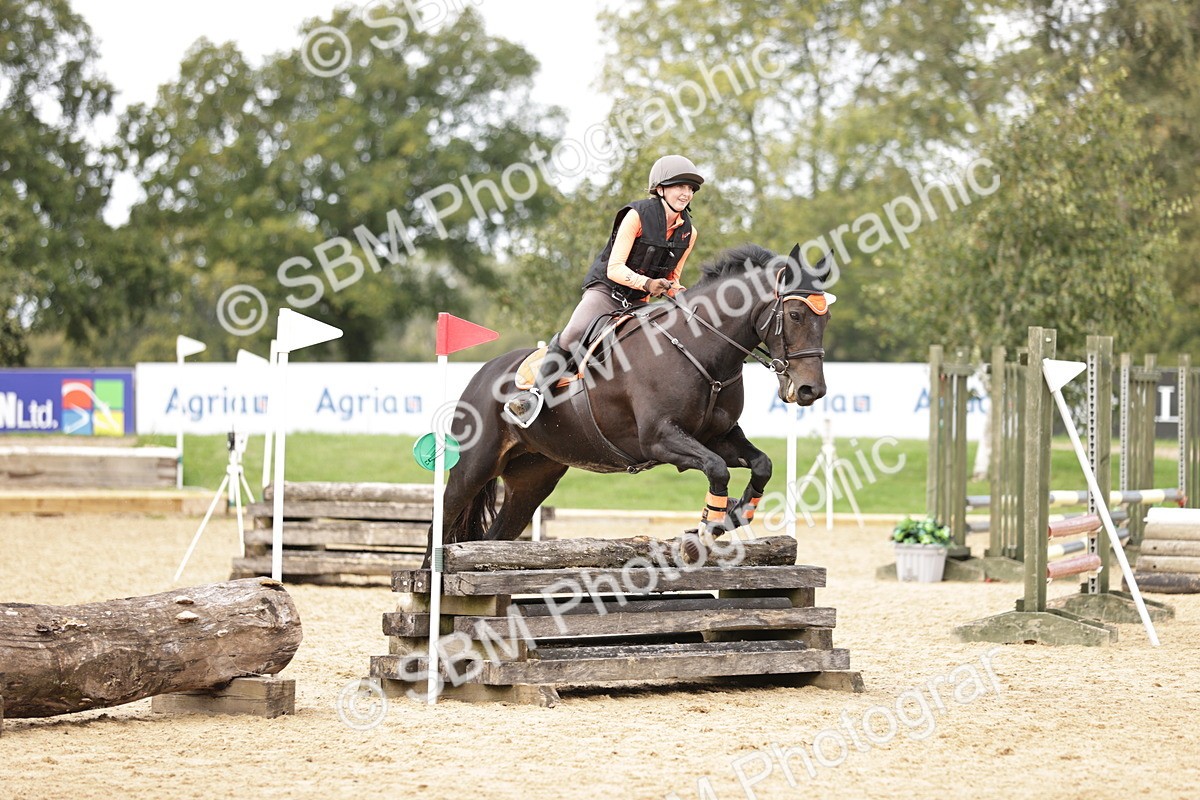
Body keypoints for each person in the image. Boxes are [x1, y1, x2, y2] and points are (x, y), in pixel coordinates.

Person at [504, 154, 704, 426]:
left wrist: (682, 294)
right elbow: (615, 268)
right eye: (680, 186)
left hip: (639, 304)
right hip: (607, 292)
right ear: (661, 189)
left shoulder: (688, 233)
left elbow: (672, 278)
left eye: (691, 188)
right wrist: (647, 284)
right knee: (574, 332)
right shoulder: (636, 215)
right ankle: (534, 396)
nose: (686, 193)